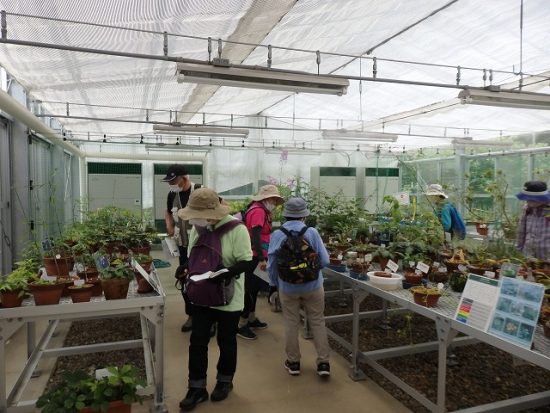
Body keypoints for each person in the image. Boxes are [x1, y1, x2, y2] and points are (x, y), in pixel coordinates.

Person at [177, 188, 254, 411]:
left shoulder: (237, 229)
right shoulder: (198, 228)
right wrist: (185, 268)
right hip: (201, 295)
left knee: (226, 341)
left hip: (229, 297)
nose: (195, 220)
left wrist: (225, 272)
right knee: (198, 341)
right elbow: (194, 257)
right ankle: (196, 388)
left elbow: (246, 261)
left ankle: (225, 381)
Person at [267, 197, 331, 377]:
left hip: (288, 287)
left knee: (291, 323)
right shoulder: (312, 232)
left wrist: (273, 285)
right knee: (317, 321)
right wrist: (312, 271)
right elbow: (325, 261)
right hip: (313, 286)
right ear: (304, 215)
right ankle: (323, 363)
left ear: (286, 214)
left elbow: (272, 265)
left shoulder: (277, 234)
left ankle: (294, 362)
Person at [237, 184, 284, 340]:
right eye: (273, 199)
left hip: (257, 255)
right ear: (266, 198)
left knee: (255, 289)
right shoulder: (258, 211)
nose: (275, 203)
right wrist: (261, 258)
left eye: (276, 200)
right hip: (254, 257)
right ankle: (241, 324)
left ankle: (251, 318)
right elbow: (255, 236)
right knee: (250, 290)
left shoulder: (261, 210)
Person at [162, 164, 202, 333]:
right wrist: (169, 225)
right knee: (184, 278)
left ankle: (208, 318)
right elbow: (168, 212)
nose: (170, 184)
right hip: (182, 245)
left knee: (203, 280)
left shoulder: (200, 191)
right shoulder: (172, 194)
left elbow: (220, 208)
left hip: (201, 246)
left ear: (184, 178)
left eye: (173, 181)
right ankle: (191, 315)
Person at [515, 180, 550, 260]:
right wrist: (519, 248)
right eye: (527, 199)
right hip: (529, 254)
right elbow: (521, 230)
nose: (528, 201)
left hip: (547, 254)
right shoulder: (527, 209)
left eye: (532, 199)